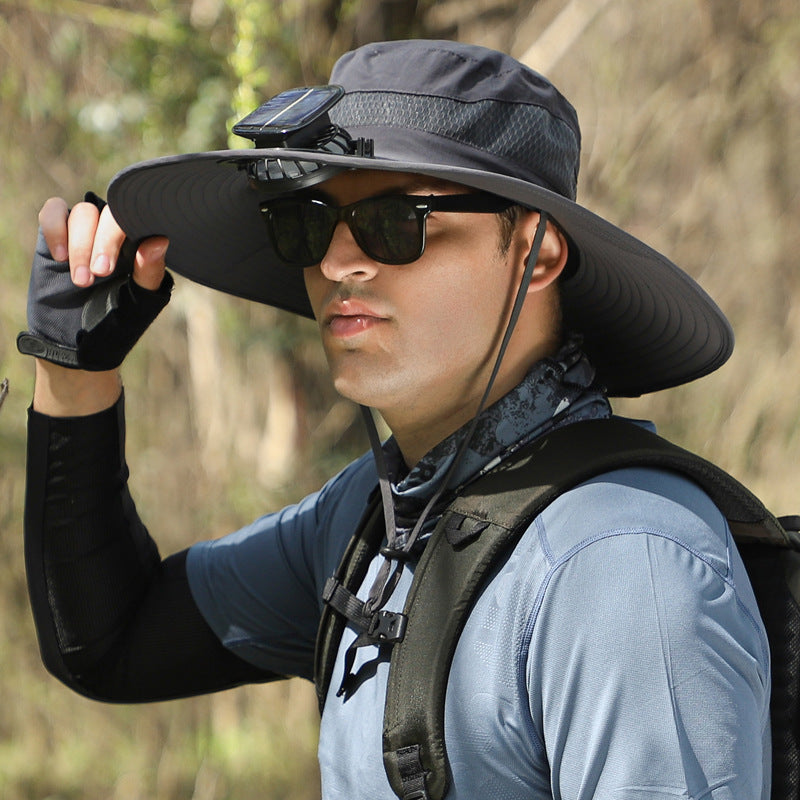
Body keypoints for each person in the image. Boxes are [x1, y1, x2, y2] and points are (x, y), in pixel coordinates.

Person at [20, 39, 770, 799]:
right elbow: (112, 643)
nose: (339, 263)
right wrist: (74, 369)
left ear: (536, 253)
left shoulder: (620, 564)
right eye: (306, 224)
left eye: (394, 222)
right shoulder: (373, 517)